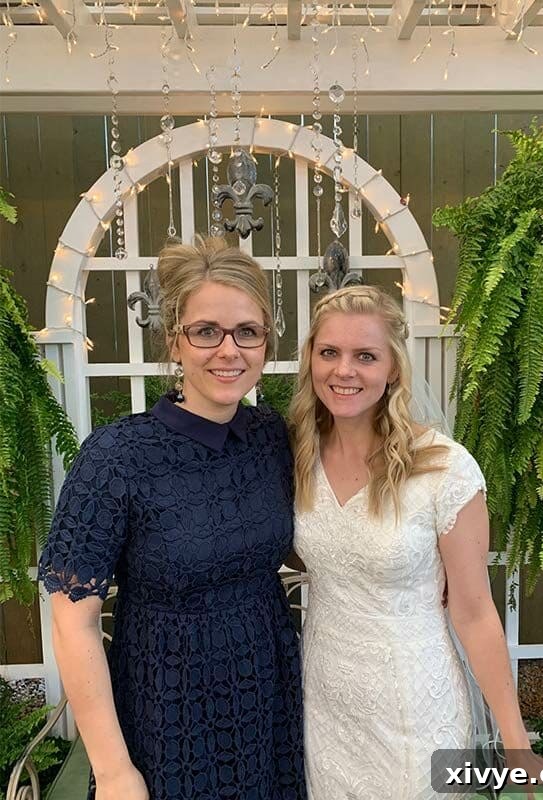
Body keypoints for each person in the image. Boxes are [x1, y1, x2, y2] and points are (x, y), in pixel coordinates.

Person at [39, 236, 306, 800]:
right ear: (174, 341)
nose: (228, 351)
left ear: (265, 342)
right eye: (207, 331)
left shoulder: (272, 439)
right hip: (166, 714)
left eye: (247, 332)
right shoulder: (116, 456)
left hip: (268, 700)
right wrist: (114, 771)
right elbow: (73, 621)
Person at [288, 285, 543, 800]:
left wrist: (517, 744)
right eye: (329, 352)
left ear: (393, 367)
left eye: (365, 356)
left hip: (413, 705)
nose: (343, 370)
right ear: (310, 359)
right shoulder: (296, 455)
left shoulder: (444, 468)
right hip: (325, 702)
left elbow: (475, 612)